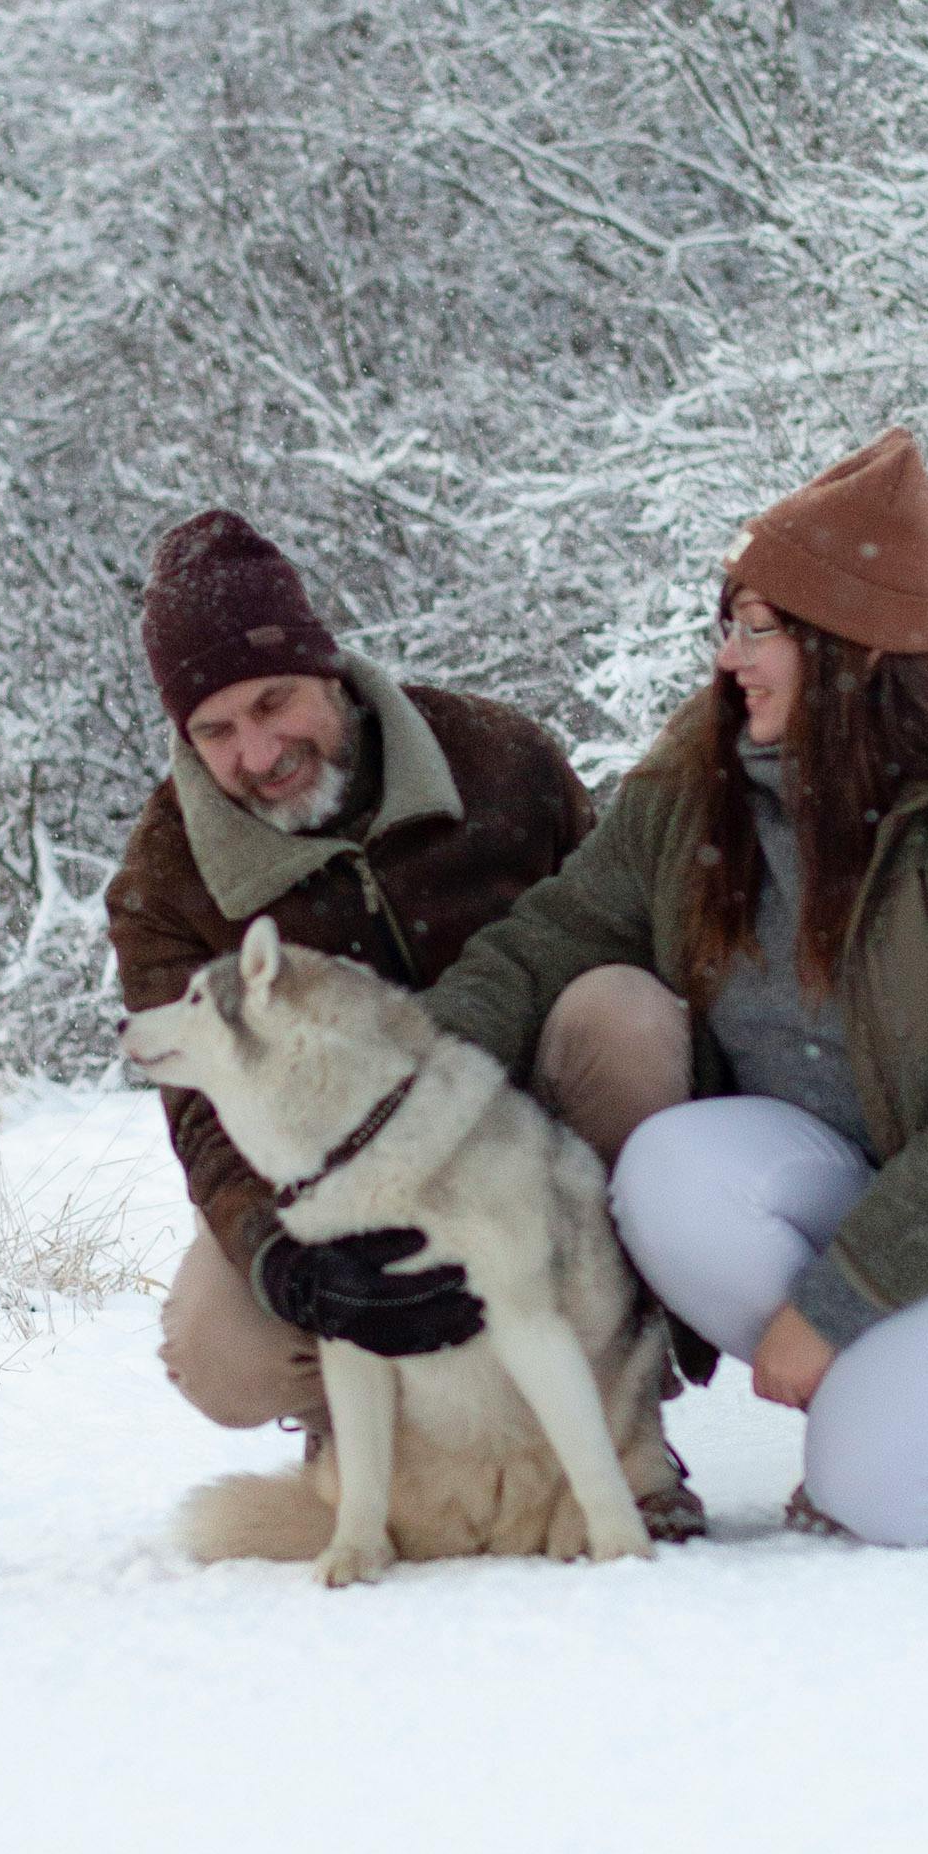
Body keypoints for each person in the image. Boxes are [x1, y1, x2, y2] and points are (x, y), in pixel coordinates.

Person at [424, 431, 928, 1542]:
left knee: (876, 1499)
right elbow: (551, 939)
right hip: (841, 1188)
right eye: (728, 622)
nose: (730, 656)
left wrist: (833, 1306)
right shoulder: (698, 785)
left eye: (762, 630)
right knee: (668, 1176)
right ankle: (888, 1385)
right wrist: (413, 1070)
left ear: (856, 650)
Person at [108, 508, 603, 1433]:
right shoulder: (165, 879)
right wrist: (285, 1264)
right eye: (214, 730)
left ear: (327, 671)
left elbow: (624, 937)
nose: (257, 756)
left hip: (531, 1138)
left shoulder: (503, 764)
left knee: (625, 1014)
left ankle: (618, 1408)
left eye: (272, 703)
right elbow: (203, 1115)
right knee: (219, 1352)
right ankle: (384, 1415)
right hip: (329, 1178)